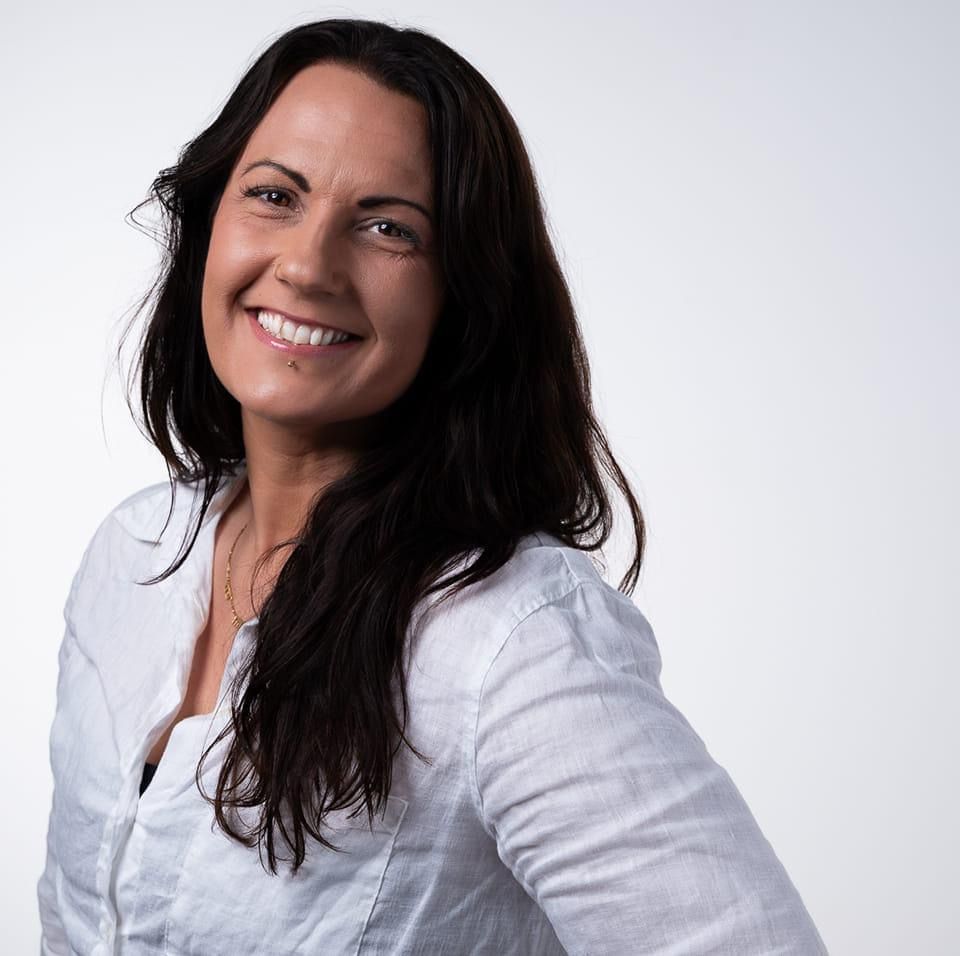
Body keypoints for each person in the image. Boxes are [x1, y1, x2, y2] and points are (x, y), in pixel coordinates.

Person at [37, 18, 829, 956]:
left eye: (387, 228)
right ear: (210, 220)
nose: (306, 263)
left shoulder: (505, 641)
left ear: (465, 299)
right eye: (273, 195)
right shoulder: (132, 557)